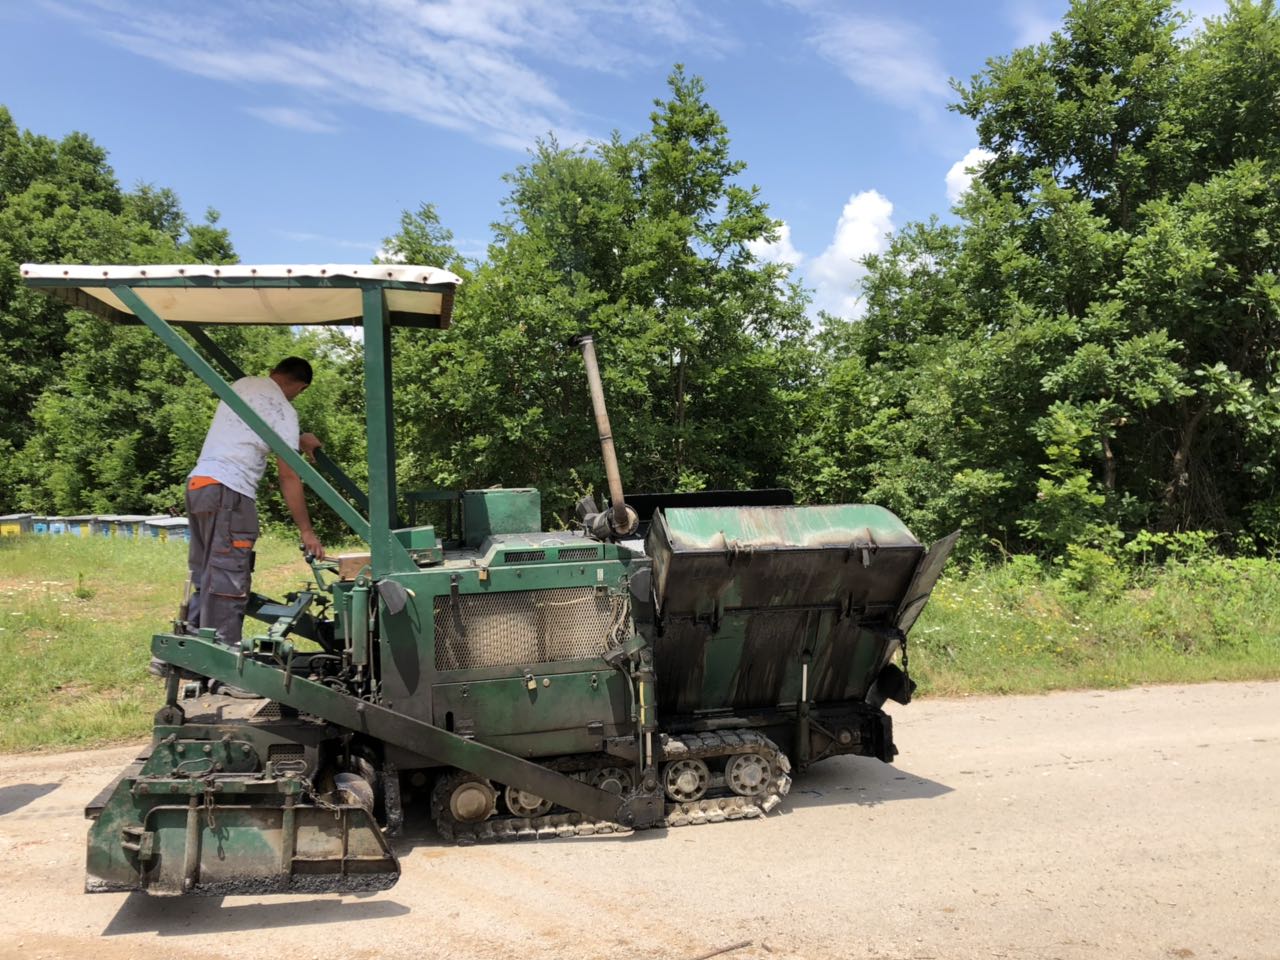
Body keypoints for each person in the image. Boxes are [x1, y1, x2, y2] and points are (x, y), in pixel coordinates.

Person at [182, 356, 326, 652]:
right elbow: (288, 475)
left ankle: (190, 646)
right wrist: (306, 531)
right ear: (301, 387)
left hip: (199, 486)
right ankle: (226, 661)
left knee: (206, 574)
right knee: (228, 577)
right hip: (230, 492)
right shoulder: (284, 410)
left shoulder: (243, 385)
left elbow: (248, 433)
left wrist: (298, 440)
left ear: (274, 372)